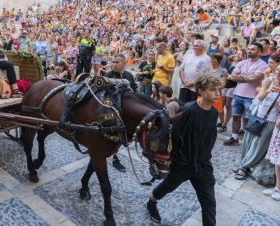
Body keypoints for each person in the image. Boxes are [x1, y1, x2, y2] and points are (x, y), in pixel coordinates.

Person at [146, 73, 221, 225]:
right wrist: (173, 159)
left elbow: (210, 138)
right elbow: (171, 134)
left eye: (218, 90)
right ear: (200, 91)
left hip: (203, 165)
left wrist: (205, 157)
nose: (217, 93)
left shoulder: (214, 113)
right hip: (183, 163)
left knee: (209, 205)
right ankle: (151, 202)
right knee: (167, 187)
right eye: (213, 90)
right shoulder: (188, 110)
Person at [233, 64, 280, 180]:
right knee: (247, 141)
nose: (278, 72)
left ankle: (244, 167)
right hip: (258, 116)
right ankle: (243, 163)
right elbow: (259, 98)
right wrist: (268, 91)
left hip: (271, 119)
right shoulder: (269, 80)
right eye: (278, 69)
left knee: (258, 145)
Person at [224, 43, 268, 146]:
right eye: (249, 49)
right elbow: (234, 75)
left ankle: (247, 140)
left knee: (248, 119)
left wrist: (239, 77)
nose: (249, 51)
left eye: (252, 49)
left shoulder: (263, 65)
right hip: (238, 94)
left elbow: (254, 79)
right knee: (235, 117)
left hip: (252, 96)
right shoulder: (242, 63)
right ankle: (234, 138)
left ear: (259, 52)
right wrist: (245, 78)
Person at [105, 54, 136, 172]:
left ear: (124, 63)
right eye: (113, 61)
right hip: (112, 109)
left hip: (127, 109)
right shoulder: (108, 75)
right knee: (115, 134)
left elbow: (133, 92)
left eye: (117, 62)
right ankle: (115, 157)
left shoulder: (129, 76)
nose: (114, 64)